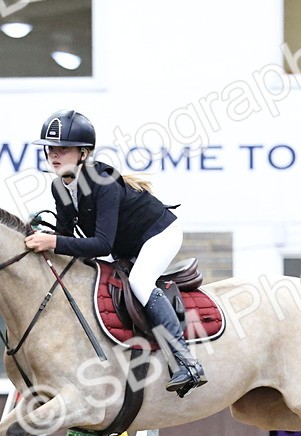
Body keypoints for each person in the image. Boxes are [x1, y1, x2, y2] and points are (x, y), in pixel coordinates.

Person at [24, 108, 207, 396]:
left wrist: (52, 242)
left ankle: (187, 362)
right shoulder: (59, 187)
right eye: (50, 149)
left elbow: (101, 245)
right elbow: (67, 239)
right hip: (128, 244)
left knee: (139, 282)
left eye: (63, 149)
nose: (54, 155)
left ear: (84, 153)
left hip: (159, 234)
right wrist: (46, 240)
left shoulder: (104, 183)